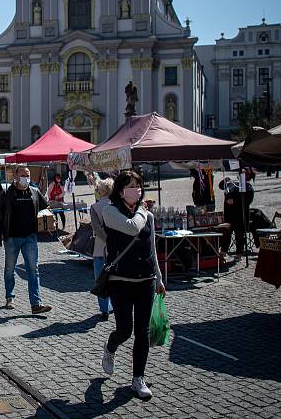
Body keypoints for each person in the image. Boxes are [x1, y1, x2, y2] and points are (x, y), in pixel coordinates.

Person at [100, 170, 165, 399]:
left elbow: (152, 247)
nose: (136, 189)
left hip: (145, 280)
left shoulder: (148, 215)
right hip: (121, 280)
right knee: (125, 329)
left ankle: (138, 379)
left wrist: (158, 276)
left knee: (143, 332)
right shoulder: (110, 211)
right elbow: (131, 227)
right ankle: (110, 347)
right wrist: (142, 210)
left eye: (138, 185)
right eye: (130, 185)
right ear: (120, 190)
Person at [0, 165, 52, 314]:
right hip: (11, 238)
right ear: (15, 176)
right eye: (23, 174)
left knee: (33, 270)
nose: (26, 177)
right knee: (9, 269)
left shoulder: (34, 191)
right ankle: (9, 297)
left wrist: (48, 219)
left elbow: (45, 208)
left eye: (27, 174)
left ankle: (36, 304)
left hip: (30, 237)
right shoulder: (6, 193)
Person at [89, 178, 114, 320]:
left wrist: (107, 239)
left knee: (101, 279)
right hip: (117, 249)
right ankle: (117, 305)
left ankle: (105, 309)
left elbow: (97, 229)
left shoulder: (95, 207)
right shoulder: (118, 205)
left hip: (100, 249)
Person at [220, 175, 254, 258]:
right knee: (226, 234)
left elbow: (247, 200)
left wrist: (234, 201)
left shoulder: (248, 188)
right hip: (229, 215)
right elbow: (221, 186)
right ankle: (223, 251)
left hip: (240, 216)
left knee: (239, 236)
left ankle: (239, 254)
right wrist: (224, 180)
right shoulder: (233, 184)